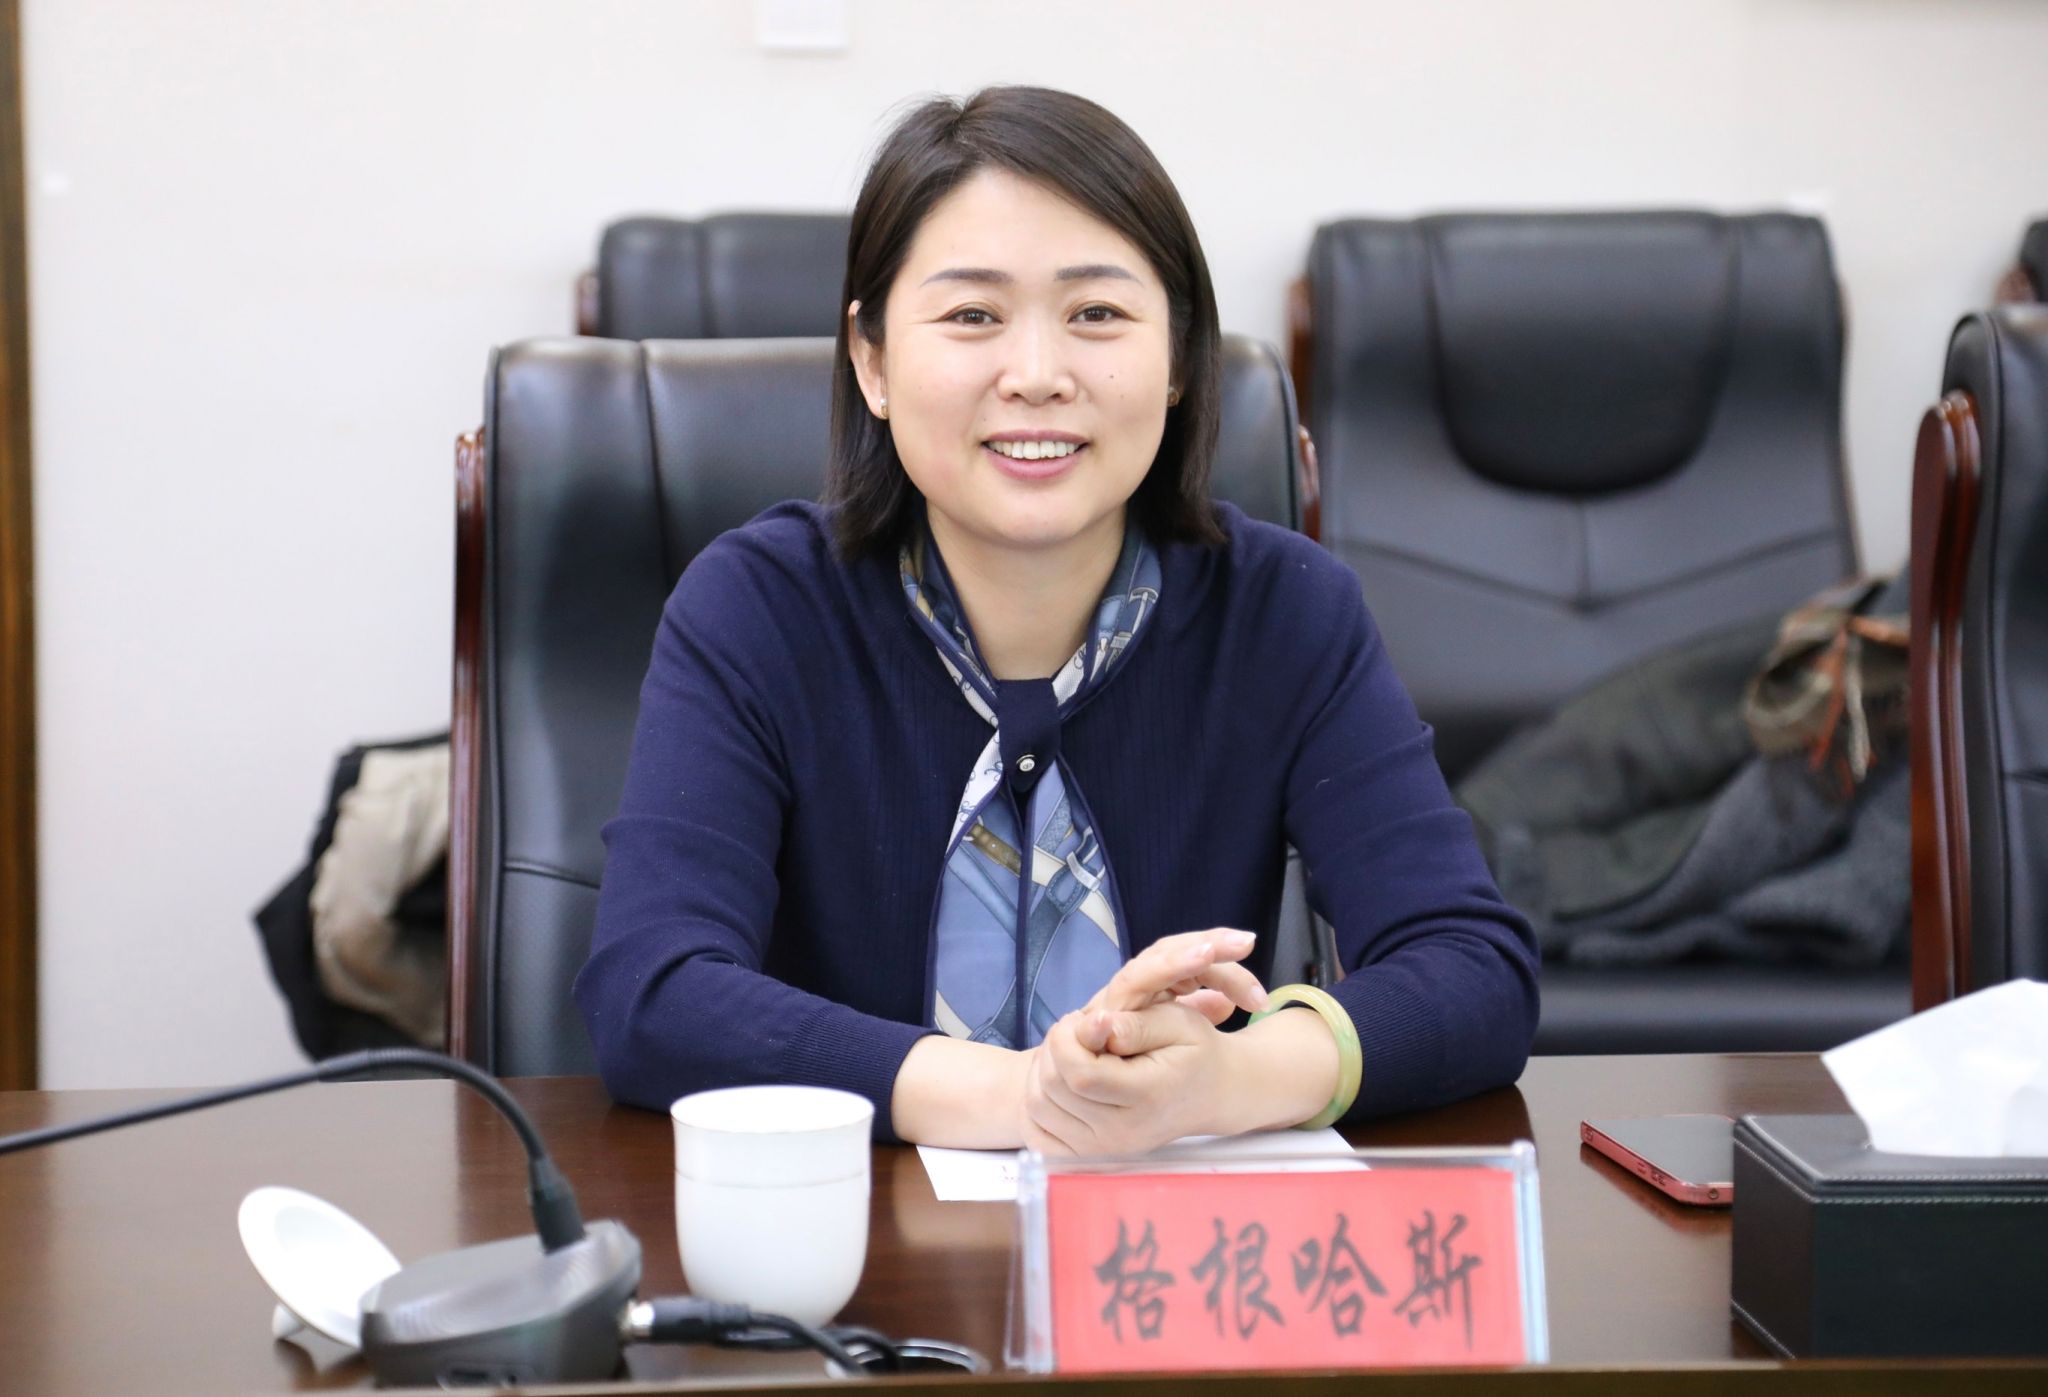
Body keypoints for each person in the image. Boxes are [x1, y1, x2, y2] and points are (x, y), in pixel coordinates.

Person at [575, 86, 1538, 1154]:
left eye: (1096, 315)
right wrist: (1025, 1094)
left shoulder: (1284, 610)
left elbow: (1472, 969)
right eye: (971, 316)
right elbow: (654, 990)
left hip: (1171, 1240)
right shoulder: (758, 607)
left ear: (1178, 361)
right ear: (872, 360)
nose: (1036, 376)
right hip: (851, 1232)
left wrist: (1225, 1079)